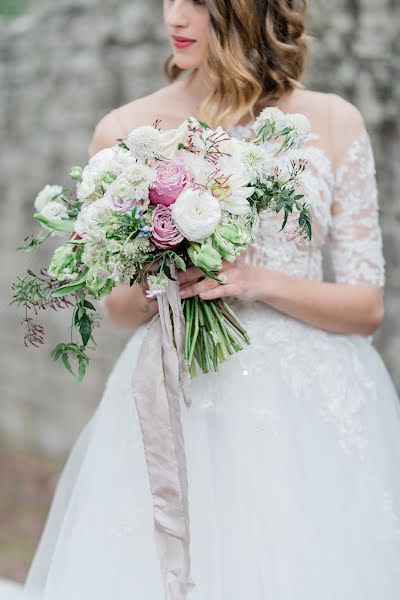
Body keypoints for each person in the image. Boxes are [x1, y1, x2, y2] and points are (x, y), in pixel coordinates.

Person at [2, 0, 400, 598]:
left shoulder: (334, 121)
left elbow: (367, 305)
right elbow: (114, 306)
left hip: (311, 407)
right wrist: (165, 269)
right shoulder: (126, 129)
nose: (174, 18)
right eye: (169, 0)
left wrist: (256, 281)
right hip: (178, 391)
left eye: (197, 3)